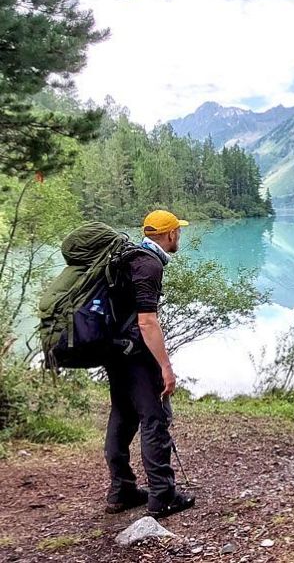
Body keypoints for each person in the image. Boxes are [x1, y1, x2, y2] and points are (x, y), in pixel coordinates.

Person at [104, 210, 195, 518]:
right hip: (137, 356)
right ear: (169, 235)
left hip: (115, 351)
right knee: (154, 419)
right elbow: (147, 322)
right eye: (177, 232)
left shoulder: (129, 257)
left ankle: (121, 491)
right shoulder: (150, 264)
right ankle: (162, 496)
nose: (179, 236)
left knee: (123, 414)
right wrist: (166, 367)